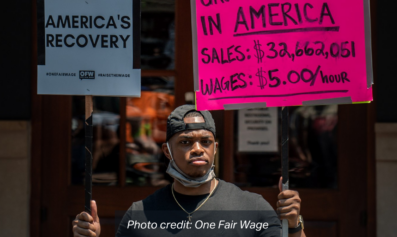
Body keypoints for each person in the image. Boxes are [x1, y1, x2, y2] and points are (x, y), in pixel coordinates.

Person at [72, 105, 306, 237]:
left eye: (206, 141)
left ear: (216, 148)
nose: (197, 149)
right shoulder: (140, 215)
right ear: (167, 150)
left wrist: (294, 225)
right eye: (185, 142)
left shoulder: (253, 209)